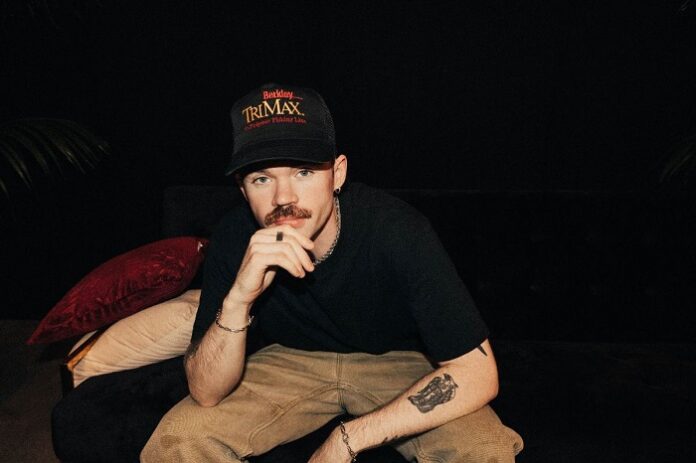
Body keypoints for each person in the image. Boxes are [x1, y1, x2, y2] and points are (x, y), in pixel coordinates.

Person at [141, 83, 524, 462]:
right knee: (177, 441)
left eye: (303, 172)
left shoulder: (397, 230)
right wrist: (239, 299)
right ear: (243, 191)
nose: (283, 197)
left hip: (397, 361)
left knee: (484, 448)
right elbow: (206, 392)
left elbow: (477, 372)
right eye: (262, 179)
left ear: (337, 174)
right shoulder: (233, 237)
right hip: (289, 360)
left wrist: (348, 439)